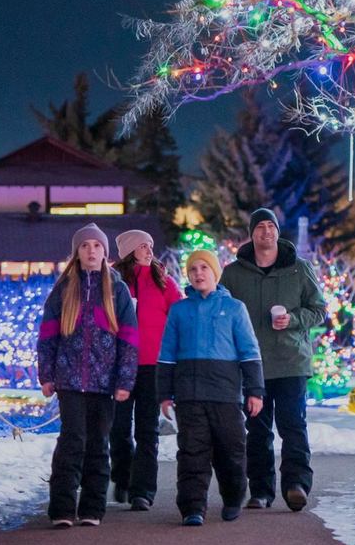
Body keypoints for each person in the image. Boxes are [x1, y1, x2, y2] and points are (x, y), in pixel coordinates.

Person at [220, 208, 325, 511]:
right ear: (251, 234)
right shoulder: (234, 273)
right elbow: (222, 314)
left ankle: (296, 485)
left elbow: (319, 309)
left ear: (278, 232)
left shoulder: (299, 268)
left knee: (293, 425)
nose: (266, 232)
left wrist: (292, 319)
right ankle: (261, 491)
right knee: (257, 430)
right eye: (260, 227)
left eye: (271, 226)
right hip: (252, 365)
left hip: (291, 361)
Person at [36, 224, 139, 528]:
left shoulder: (117, 290)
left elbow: (129, 339)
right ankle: (62, 508)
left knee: (98, 443)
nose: (91, 251)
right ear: (77, 253)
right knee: (71, 441)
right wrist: (47, 374)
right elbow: (48, 336)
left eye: (97, 246)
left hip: (104, 383)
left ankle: (92, 507)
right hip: (69, 380)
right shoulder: (64, 289)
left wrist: (124, 380)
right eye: (85, 246)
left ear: (105, 252)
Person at [159, 248, 265, 526]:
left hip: (225, 394)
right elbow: (167, 354)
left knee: (231, 450)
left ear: (215, 273)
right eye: (193, 269)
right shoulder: (179, 310)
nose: (198, 274)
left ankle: (233, 497)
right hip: (189, 394)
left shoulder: (234, 308)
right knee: (192, 451)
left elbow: (250, 352)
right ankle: (193, 507)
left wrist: (255, 391)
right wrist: (164, 394)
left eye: (204, 268)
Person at [110, 228, 182, 511]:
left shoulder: (164, 281)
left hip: (154, 366)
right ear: (129, 251)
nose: (149, 250)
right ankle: (123, 477)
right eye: (142, 246)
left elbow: (178, 318)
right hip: (120, 367)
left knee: (147, 430)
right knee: (117, 429)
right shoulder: (114, 282)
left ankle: (143, 491)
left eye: (150, 245)